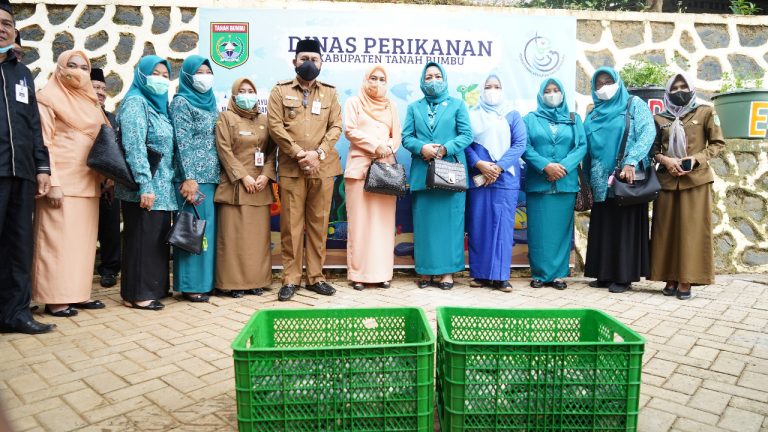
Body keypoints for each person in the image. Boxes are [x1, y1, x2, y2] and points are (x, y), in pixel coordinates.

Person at [32, 50, 109, 317]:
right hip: (62, 184)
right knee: (56, 244)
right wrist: (53, 181)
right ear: (60, 68)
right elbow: (44, 142)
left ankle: (77, 293)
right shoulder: (48, 97)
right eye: (72, 66)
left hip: (89, 182)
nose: (78, 72)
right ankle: (55, 299)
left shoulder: (90, 101)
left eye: (84, 67)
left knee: (82, 245)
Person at [267, 39, 342, 301]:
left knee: (319, 224)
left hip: (323, 168)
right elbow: (275, 126)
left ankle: (315, 277)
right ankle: (290, 278)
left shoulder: (331, 93)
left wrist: (318, 153)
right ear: (294, 61)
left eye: (314, 59)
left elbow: (336, 127)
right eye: (304, 58)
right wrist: (300, 153)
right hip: (291, 168)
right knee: (291, 225)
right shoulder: (279, 91)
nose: (309, 63)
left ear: (321, 63)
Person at [0, 0, 55, 334]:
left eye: (7, 23)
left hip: (20, 173)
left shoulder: (21, 73)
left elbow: (33, 124)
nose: (2, 27)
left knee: (18, 246)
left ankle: (15, 313)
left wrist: (42, 167)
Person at [650, 73, 725, 300]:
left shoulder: (705, 112)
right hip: (667, 181)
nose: (679, 90)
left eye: (684, 86)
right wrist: (666, 160)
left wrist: (695, 159)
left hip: (696, 181)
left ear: (691, 88)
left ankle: (686, 280)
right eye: (675, 87)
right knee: (666, 232)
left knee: (691, 232)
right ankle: (669, 278)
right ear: (668, 91)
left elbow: (718, 144)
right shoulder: (659, 118)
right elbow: (652, 150)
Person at [583, 66, 655, 293]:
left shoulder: (634, 105)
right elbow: (587, 149)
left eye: (608, 81)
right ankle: (603, 274)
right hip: (599, 179)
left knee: (625, 225)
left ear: (617, 82)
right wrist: (586, 180)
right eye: (598, 84)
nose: (603, 87)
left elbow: (647, 132)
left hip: (626, 176)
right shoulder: (593, 114)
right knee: (604, 224)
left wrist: (631, 161)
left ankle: (623, 276)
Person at [402, 62, 473, 290]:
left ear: (444, 78)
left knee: (451, 226)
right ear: (423, 81)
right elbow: (406, 137)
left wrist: (444, 149)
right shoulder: (414, 107)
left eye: (437, 75)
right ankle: (425, 272)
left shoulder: (457, 105)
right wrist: (422, 148)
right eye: (429, 76)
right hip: (423, 174)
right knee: (425, 225)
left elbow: (466, 135)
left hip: (450, 174)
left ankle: (447, 273)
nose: (433, 80)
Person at [115, 55, 176, 310]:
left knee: (155, 241)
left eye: (165, 75)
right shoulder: (135, 103)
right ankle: (137, 294)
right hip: (145, 188)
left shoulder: (159, 106)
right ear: (142, 75)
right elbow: (134, 147)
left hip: (163, 189)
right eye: (156, 74)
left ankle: (153, 288)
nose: (161, 79)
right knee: (141, 240)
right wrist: (145, 184)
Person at [523, 78, 587, 290]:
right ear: (541, 95)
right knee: (538, 231)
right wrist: (545, 166)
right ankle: (539, 274)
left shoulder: (573, 118)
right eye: (548, 91)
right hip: (538, 183)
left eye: (556, 90)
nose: (552, 94)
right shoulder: (530, 119)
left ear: (563, 93)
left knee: (560, 231)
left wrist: (563, 167)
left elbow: (581, 146)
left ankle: (559, 275)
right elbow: (524, 146)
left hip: (565, 184)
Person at [215, 78, 276, 297]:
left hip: (260, 187)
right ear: (233, 94)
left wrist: (266, 176)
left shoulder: (265, 119)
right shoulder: (226, 117)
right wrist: (243, 177)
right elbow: (224, 151)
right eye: (242, 91)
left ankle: (256, 280)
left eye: (251, 91)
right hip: (236, 188)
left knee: (257, 240)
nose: (247, 94)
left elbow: (271, 153)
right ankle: (232, 283)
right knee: (233, 238)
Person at [465, 73, 526, 293]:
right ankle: (480, 275)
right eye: (488, 86)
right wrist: (480, 164)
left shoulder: (512, 114)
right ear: (481, 91)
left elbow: (520, 144)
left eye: (497, 86)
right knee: (478, 225)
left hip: (505, 177)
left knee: (502, 228)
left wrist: (498, 167)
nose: (492, 90)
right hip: (479, 177)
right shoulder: (472, 115)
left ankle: (501, 276)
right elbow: (466, 144)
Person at [343, 65, 401, 291]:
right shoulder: (354, 103)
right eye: (373, 78)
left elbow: (396, 135)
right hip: (359, 169)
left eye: (382, 79)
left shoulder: (391, 106)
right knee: (360, 225)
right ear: (365, 80)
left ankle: (383, 274)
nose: (377, 83)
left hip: (384, 171)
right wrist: (374, 145)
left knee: (383, 225)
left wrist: (386, 147)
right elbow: (350, 130)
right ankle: (359, 275)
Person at [170, 55, 219, 302]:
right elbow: (182, 141)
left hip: (211, 178)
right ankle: (190, 285)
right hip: (193, 180)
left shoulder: (210, 102)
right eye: (198, 72)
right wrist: (189, 177)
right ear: (188, 76)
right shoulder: (181, 102)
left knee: (206, 232)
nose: (204, 76)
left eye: (207, 71)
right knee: (191, 231)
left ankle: (205, 282)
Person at [91, 67, 121, 288]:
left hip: (108, 183)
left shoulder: (112, 118)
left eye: (103, 88)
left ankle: (110, 269)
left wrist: (112, 178)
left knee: (110, 228)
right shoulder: (78, 114)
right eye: (95, 87)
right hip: (82, 181)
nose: (101, 92)